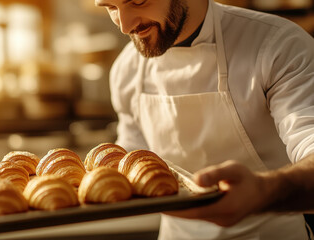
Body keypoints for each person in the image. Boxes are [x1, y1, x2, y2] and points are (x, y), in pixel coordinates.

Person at [94, 0, 314, 239]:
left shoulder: (278, 45)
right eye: (111, 7)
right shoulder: (126, 70)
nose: (125, 26)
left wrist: (264, 191)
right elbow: (131, 164)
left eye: (138, 1)